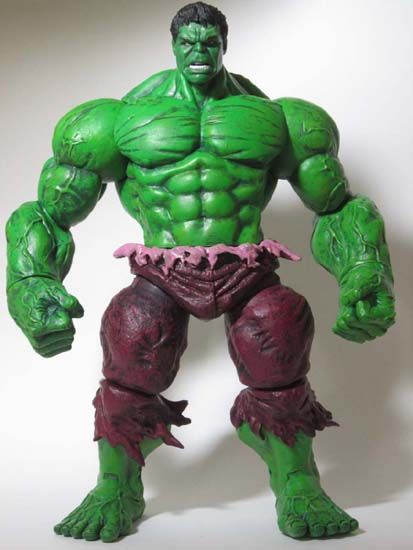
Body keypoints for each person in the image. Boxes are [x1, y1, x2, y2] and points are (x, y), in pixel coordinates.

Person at [6, 1, 395, 542]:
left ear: (224, 44)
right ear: (173, 45)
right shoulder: (116, 121)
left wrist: (364, 270)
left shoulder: (280, 119)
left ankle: (299, 482)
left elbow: (336, 207)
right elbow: (50, 212)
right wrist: (31, 282)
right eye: (187, 42)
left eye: (209, 42)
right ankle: (115, 485)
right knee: (132, 342)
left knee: (279, 332)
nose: (198, 52)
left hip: (246, 264)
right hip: (163, 267)